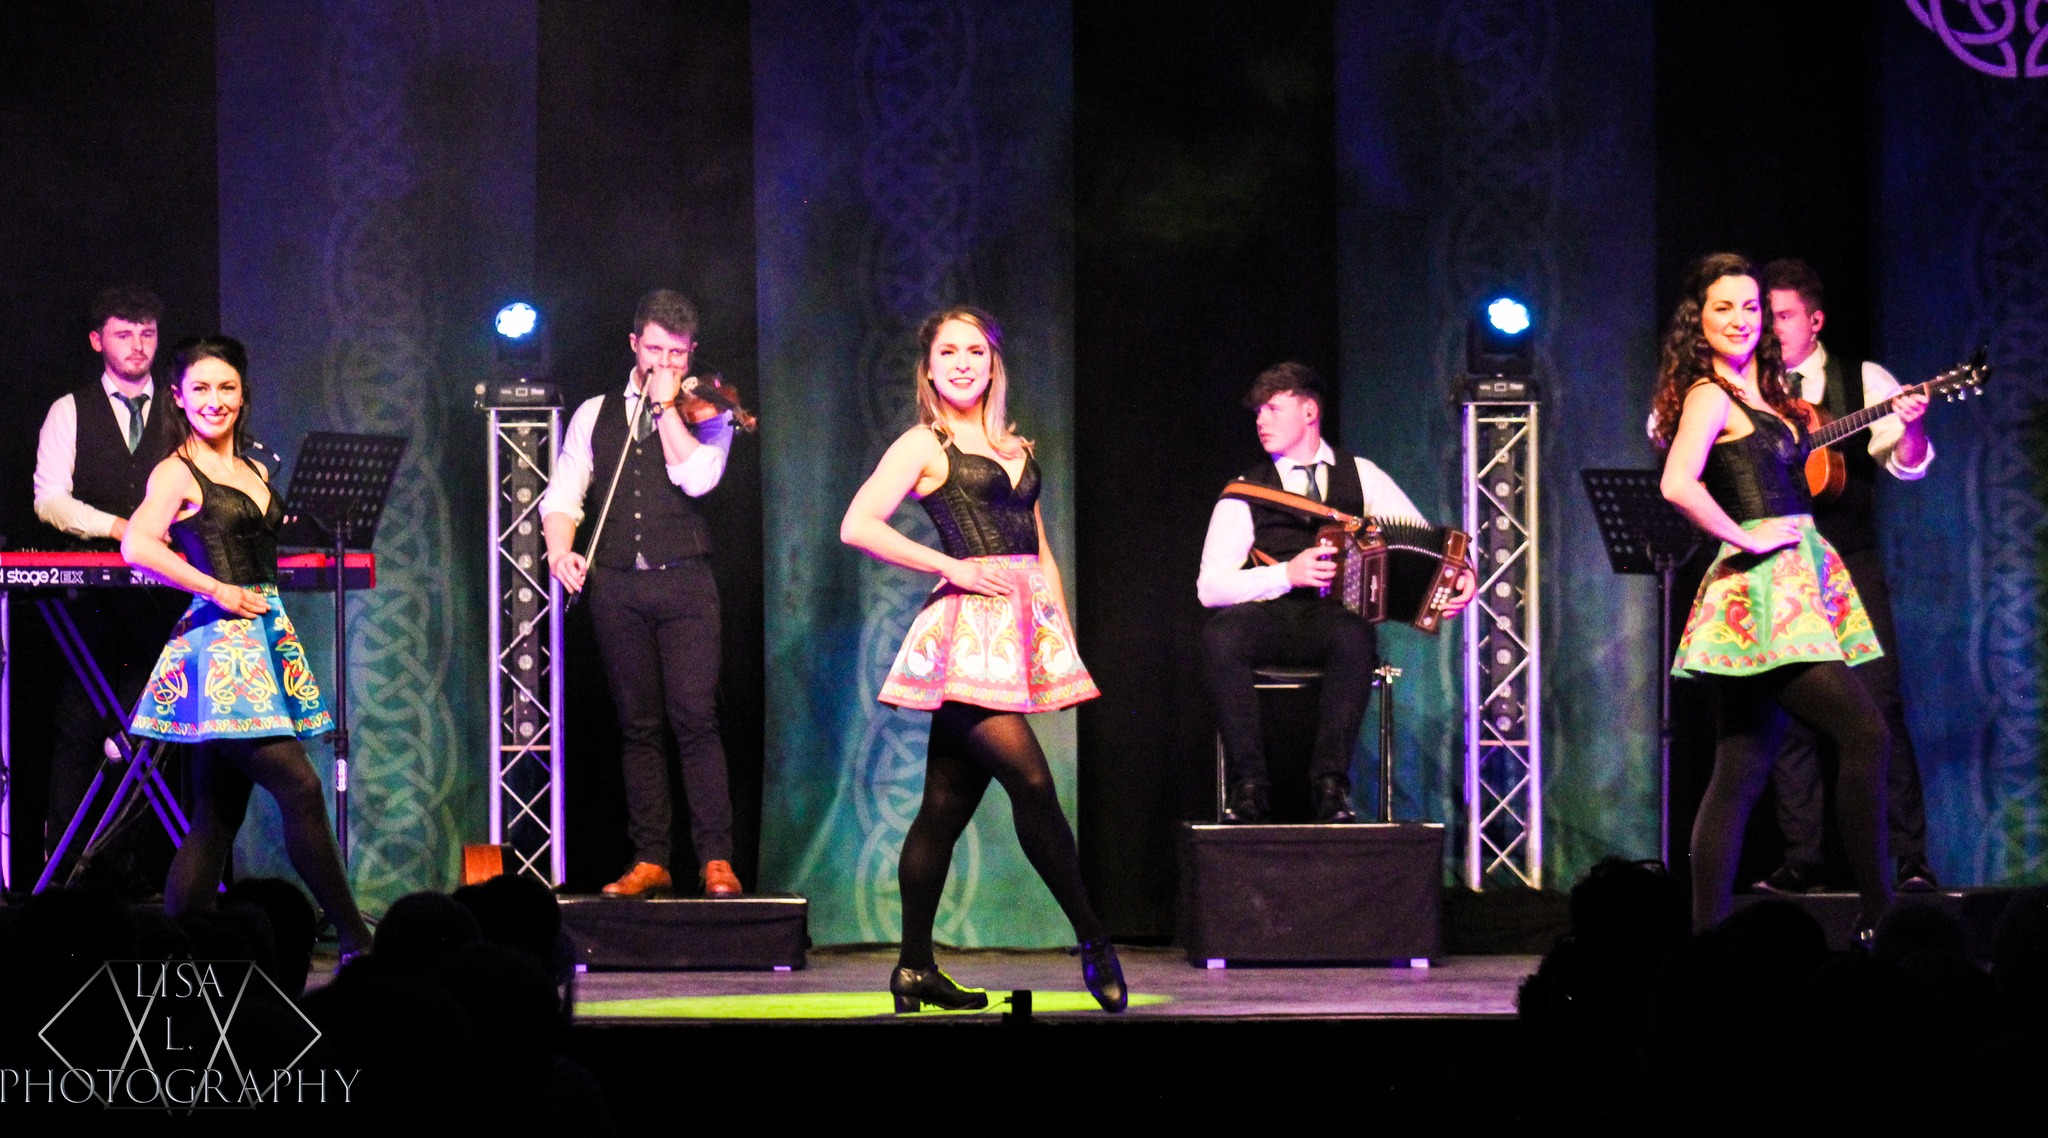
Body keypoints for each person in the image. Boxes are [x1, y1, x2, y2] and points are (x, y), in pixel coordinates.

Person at [840, 305, 1123, 1013]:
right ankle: (1093, 937)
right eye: (949, 352)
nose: (963, 363)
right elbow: (857, 525)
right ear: (929, 368)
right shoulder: (923, 443)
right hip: (967, 637)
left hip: (1018, 631)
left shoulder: (1016, 446)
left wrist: (1057, 633)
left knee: (943, 807)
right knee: (1032, 781)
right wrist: (952, 567)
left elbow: (1039, 548)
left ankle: (913, 969)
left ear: (993, 365)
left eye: (975, 351)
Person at [1652, 252, 1891, 935]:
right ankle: (1880, 919)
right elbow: (1677, 482)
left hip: (1795, 578)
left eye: (1751, 307)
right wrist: (1744, 537)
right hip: (1764, 593)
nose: (1740, 319)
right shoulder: (1709, 395)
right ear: (1698, 320)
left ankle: (1704, 939)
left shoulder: (1768, 394)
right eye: (1723, 307)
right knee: (1865, 733)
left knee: (1740, 765)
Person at [121, 335, 372, 957]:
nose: (214, 400)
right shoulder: (175, 471)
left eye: (226, 387)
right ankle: (357, 940)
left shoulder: (255, 470)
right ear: (178, 397)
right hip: (224, 654)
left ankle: (181, 951)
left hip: (263, 639)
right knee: (300, 788)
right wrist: (217, 589)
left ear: (243, 394)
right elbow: (137, 544)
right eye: (200, 389)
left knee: (216, 815)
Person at [1197, 362, 1474, 823]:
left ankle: (1331, 787)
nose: (1261, 420)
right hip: (1267, 615)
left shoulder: (1362, 475)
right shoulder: (1245, 490)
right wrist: (1287, 573)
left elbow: (1425, 542)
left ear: (1309, 412)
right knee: (1221, 636)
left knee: (1355, 635)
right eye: (1258, 412)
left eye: (1272, 409)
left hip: (1332, 619)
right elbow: (1210, 587)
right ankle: (1249, 787)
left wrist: (1459, 574)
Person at [540, 289, 740, 898]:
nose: (664, 363)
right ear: (634, 345)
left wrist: (665, 409)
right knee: (638, 725)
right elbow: (563, 495)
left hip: (685, 582)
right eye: (654, 350)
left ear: (691, 352)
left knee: (695, 719)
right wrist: (561, 551)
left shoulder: (710, 410)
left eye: (676, 353)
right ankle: (652, 857)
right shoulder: (594, 413)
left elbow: (697, 478)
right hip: (618, 584)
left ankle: (715, 859)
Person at [1753, 258, 1937, 895]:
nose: (1771, 328)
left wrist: (1911, 426)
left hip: (1848, 560)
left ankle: (1909, 860)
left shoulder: (1865, 380)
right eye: (1765, 316)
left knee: (1879, 704)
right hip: (1777, 565)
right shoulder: (1745, 385)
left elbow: (1908, 464)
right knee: (1790, 718)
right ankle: (1802, 860)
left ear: (1815, 320)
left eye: (1783, 315)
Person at [31, 286, 188, 882]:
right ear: (98, 341)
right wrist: (122, 528)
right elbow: (50, 500)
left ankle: (144, 877)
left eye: (147, 333)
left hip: (162, 594)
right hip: (91, 597)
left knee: (155, 732)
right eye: (124, 334)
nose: (138, 345)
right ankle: (65, 877)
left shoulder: (179, 409)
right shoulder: (69, 410)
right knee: (80, 727)